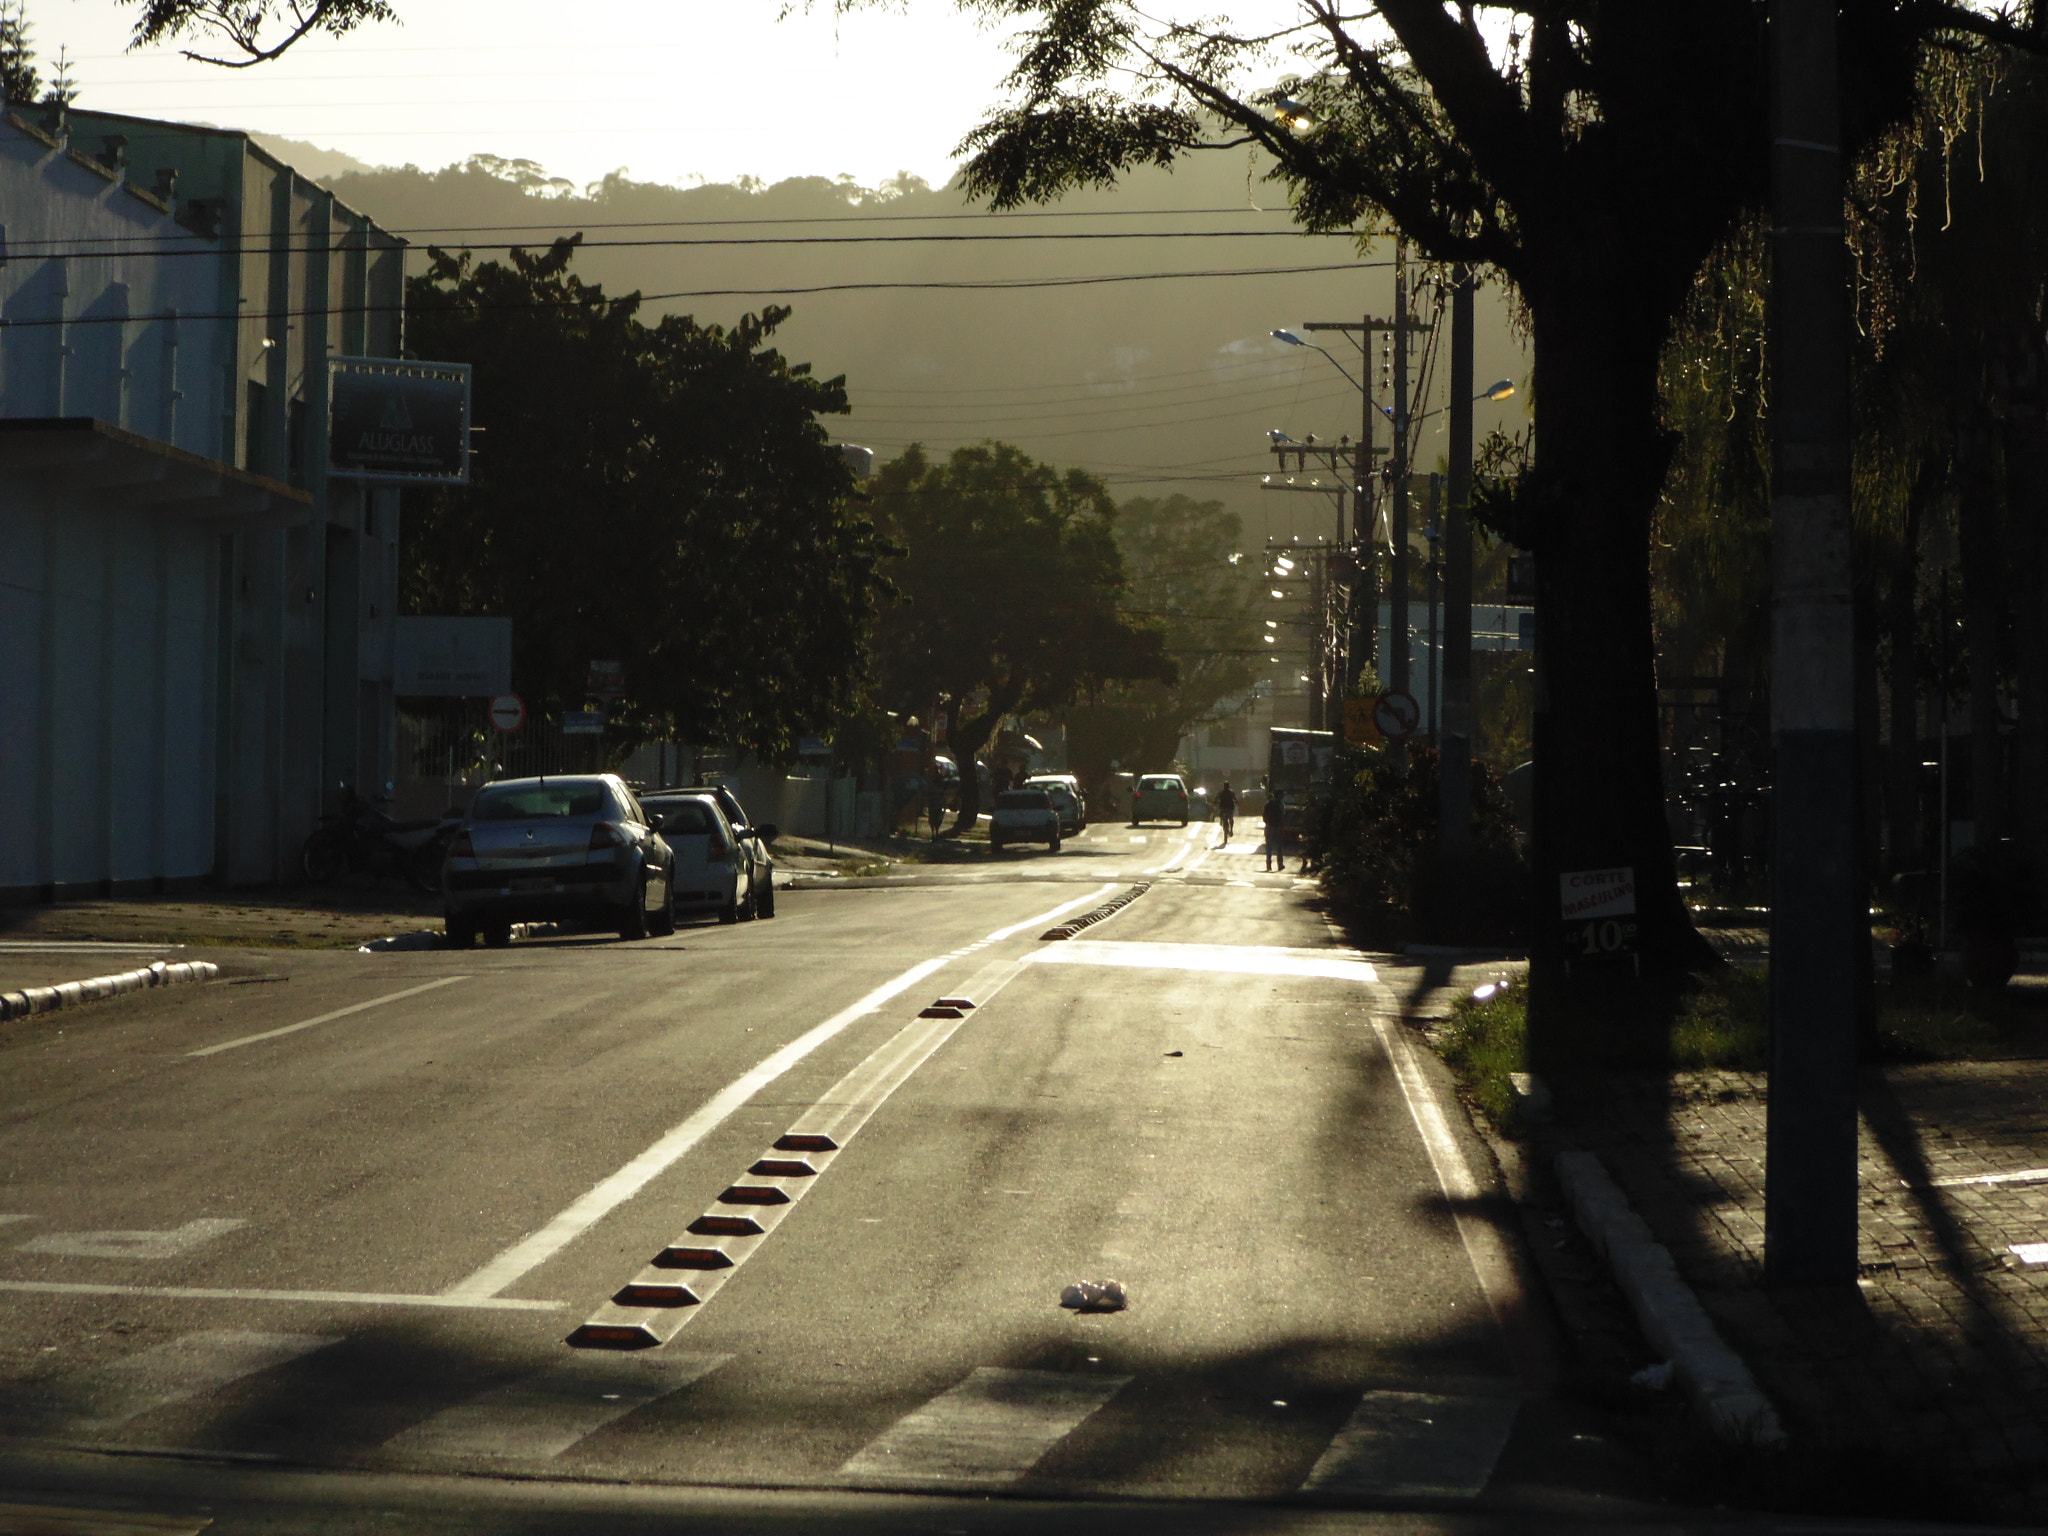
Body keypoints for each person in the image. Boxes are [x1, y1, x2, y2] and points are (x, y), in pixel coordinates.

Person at [1261, 789, 1286, 872]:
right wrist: (1282, 826)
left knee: (1269, 847)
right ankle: (1280, 864)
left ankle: (1268, 865)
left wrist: (1268, 823)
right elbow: (1282, 817)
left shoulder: (1268, 804)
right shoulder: (1280, 805)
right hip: (1277, 827)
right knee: (1279, 847)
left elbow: (1264, 816)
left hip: (1269, 827)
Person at [1215, 780, 1237, 844]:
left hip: (1224, 808)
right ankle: (1231, 829)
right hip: (1229, 808)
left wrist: (1214, 802)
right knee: (1230, 818)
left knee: (1224, 816)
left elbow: (1216, 798)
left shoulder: (1221, 792)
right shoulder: (1231, 792)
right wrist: (1237, 802)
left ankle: (1222, 822)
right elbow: (1235, 799)